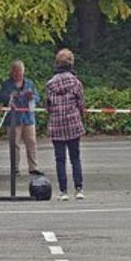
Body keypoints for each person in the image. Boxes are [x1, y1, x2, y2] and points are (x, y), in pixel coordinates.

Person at [45, 49, 85, 201]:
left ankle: (63, 191)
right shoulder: (76, 82)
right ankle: (79, 188)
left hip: (56, 125)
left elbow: (48, 107)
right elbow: (81, 104)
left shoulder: (50, 84)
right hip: (73, 123)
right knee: (75, 157)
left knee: (59, 159)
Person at [0, 60, 40, 175]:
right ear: (11, 72)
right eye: (15, 71)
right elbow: (1, 98)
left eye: (20, 71)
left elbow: (37, 98)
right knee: (14, 144)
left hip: (28, 118)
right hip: (13, 119)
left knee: (31, 142)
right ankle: (15, 168)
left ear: (23, 71)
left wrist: (32, 97)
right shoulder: (6, 84)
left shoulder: (30, 83)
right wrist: (10, 96)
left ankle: (33, 168)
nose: (18, 74)